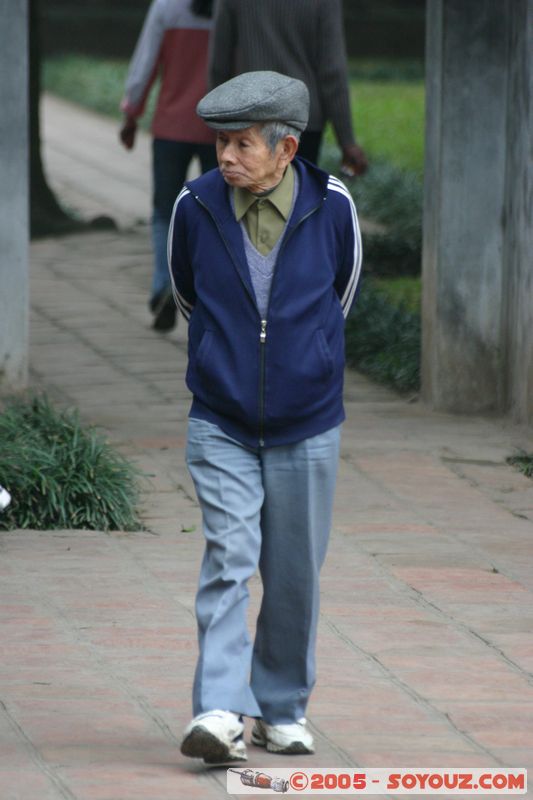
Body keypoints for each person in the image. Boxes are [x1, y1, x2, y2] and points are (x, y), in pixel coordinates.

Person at [169, 71, 362, 765]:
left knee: (294, 572)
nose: (225, 156)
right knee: (229, 556)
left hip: (307, 421)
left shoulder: (332, 205)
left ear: (286, 149)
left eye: (242, 144)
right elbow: (188, 296)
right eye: (220, 142)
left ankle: (280, 709)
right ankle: (220, 711)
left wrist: (302, 361)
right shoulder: (195, 205)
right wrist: (226, 358)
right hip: (220, 420)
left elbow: (340, 295)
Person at [120, 0, 218, 331]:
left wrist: (131, 113)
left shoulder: (166, 6)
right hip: (219, 130)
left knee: (165, 212)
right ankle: (203, 291)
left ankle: (164, 285)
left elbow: (145, 63)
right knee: (215, 215)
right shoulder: (232, 7)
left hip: (171, 127)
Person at [208, 0, 368, 175]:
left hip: (249, 115)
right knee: (298, 189)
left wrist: (221, 119)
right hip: (302, 120)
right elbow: (332, 70)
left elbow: (219, 65)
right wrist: (346, 141)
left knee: (248, 189)